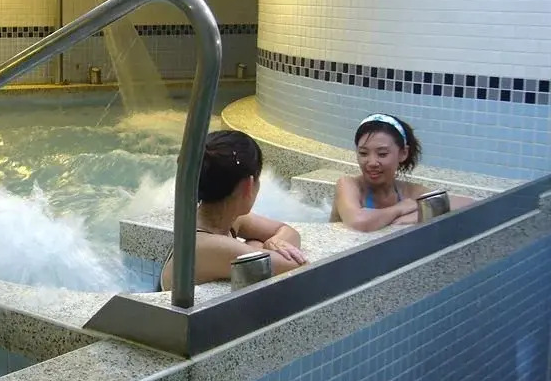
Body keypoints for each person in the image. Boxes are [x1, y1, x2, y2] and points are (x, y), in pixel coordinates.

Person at [159, 130, 307, 291]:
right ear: (249, 185)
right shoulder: (207, 246)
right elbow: (297, 265)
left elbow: (287, 231)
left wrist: (273, 242)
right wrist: (260, 245)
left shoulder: (227, 219)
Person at [330, 113, 474, 231]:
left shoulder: (408, 191)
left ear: (403, 153)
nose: (372, 162)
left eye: (382, 154)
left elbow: (467, 203)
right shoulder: (349, 185)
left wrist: (414, 216)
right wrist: (400, 209)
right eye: (363, 153)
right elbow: (359, 222)